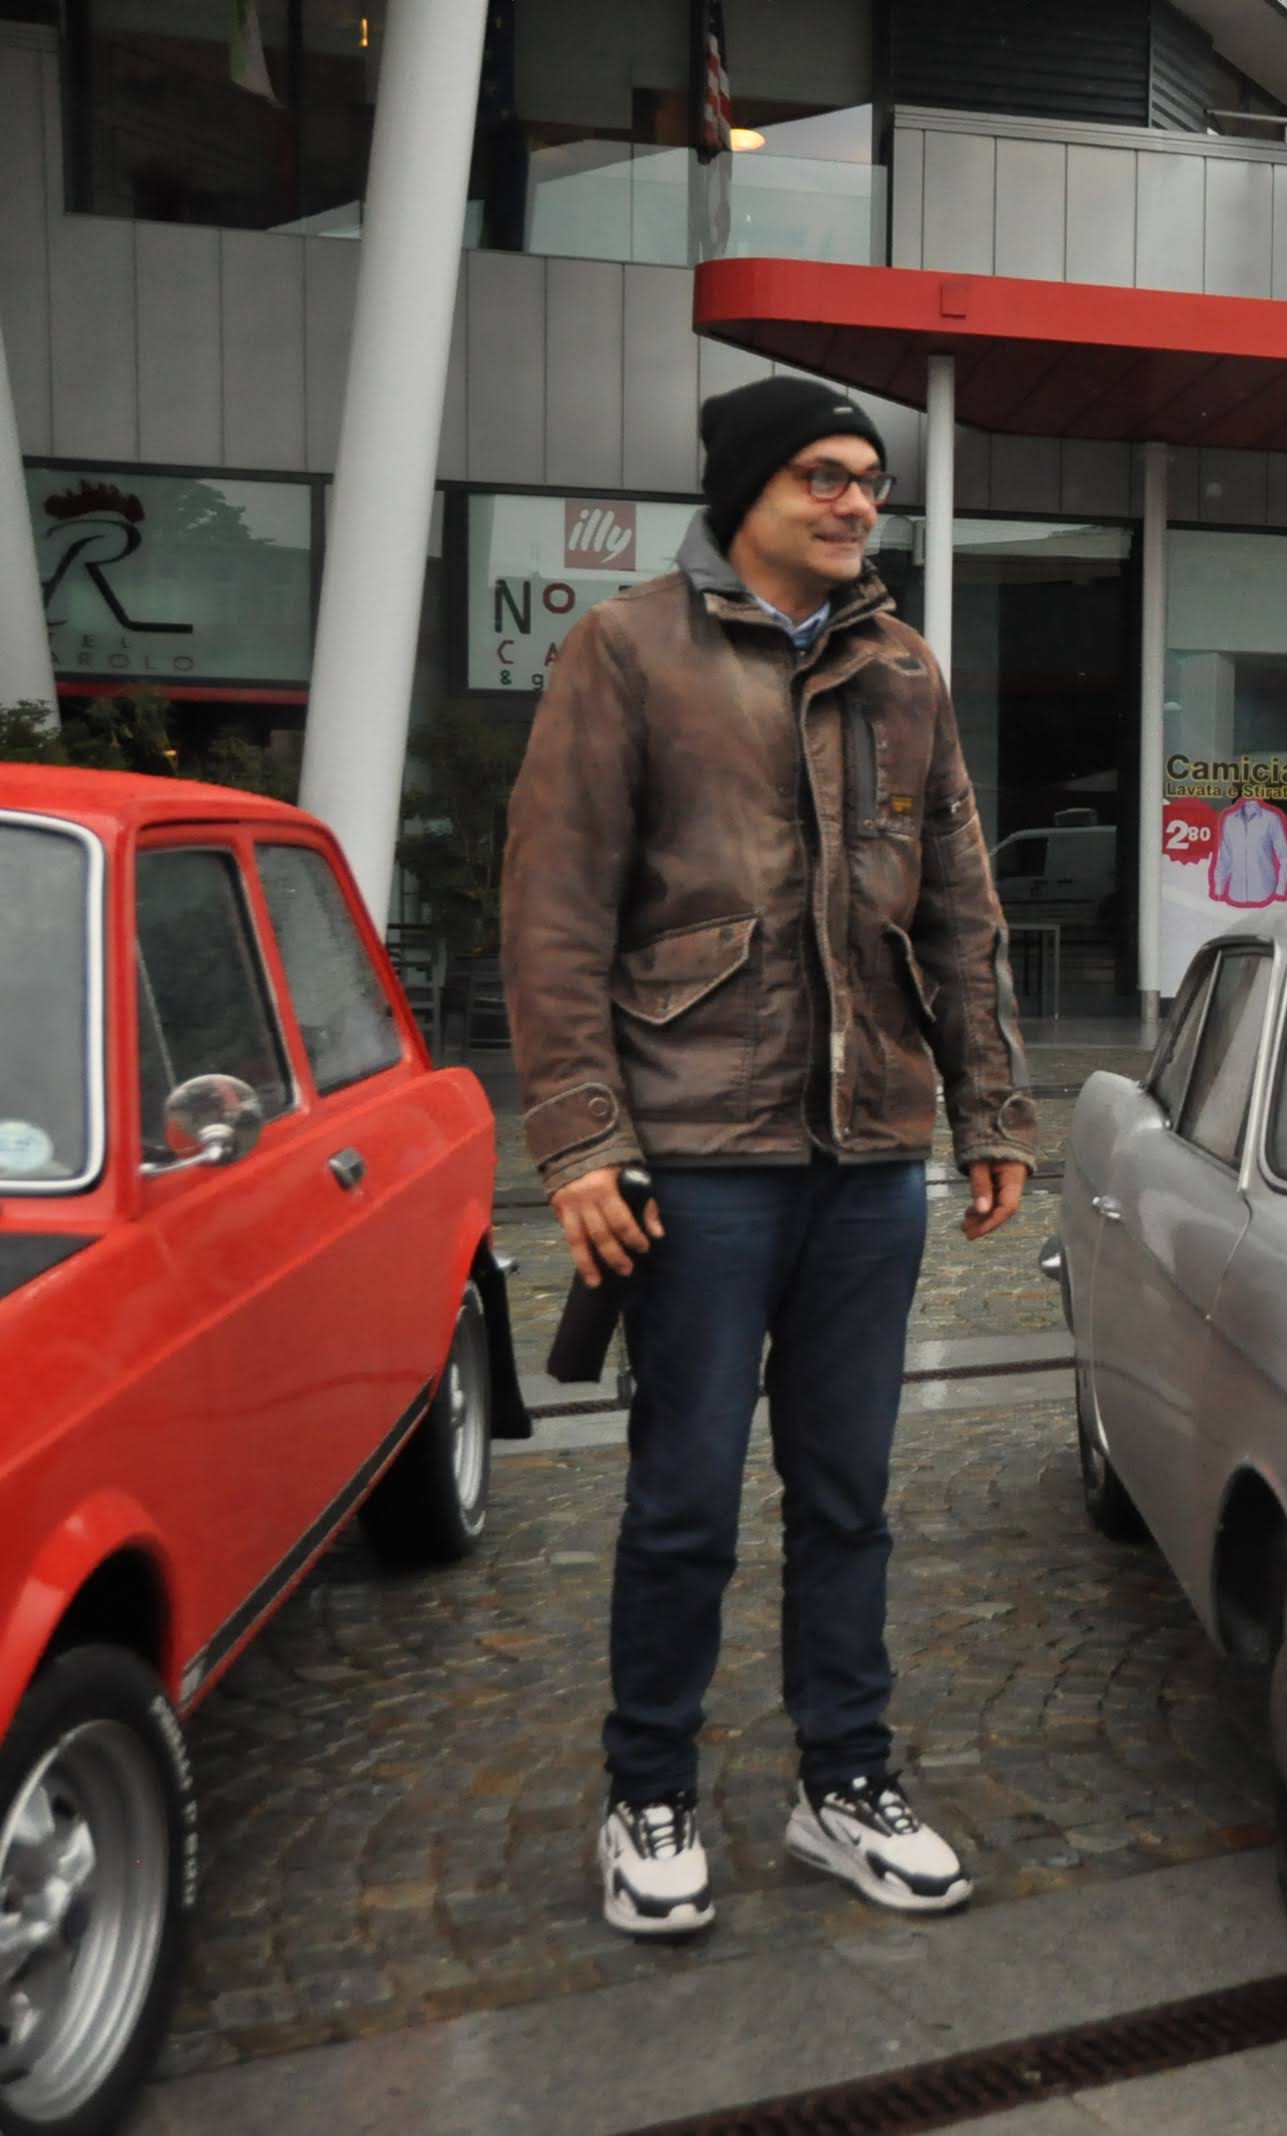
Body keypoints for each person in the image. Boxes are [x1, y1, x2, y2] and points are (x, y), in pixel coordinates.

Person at [503, 376, 1041, 1940]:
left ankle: (844, 1780)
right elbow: (553, 910)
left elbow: (960, 906)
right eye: (824, 475)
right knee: (682, 1499)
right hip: (698, 1152)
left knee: (849, 1495)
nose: (857, 501)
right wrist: (582, 1140)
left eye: (871, 480)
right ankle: (648, 1792)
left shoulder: (903, 668)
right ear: (747, 488)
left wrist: (993, 1107)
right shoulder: (628, 652)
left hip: (868, 1155)